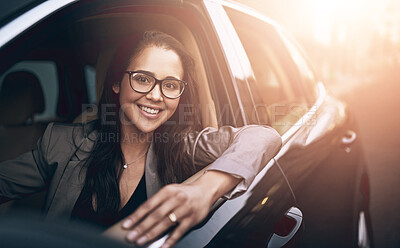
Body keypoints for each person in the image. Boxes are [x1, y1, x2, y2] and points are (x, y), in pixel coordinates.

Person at [0, 31, 282, 248]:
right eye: (143, 79)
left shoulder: (184, 148)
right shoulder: (60, 143)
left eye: (170, 85)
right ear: (115, 83)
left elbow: (264, 136)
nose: (157, 96)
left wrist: (204, 189)